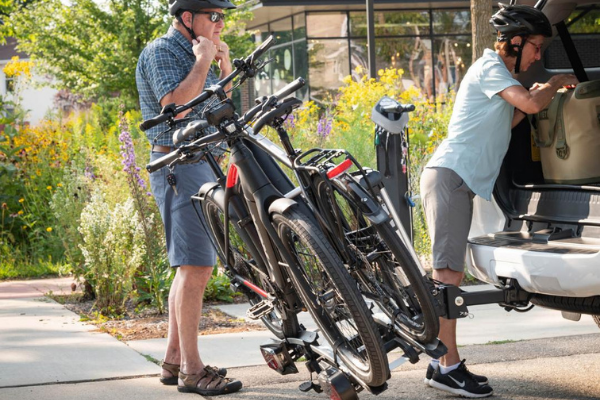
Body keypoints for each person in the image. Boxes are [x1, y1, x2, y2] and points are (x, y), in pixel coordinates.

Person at [420, 4, 578, 398]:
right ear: (515, 41)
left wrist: (541, 94)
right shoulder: (490, 65)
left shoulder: (500, 76)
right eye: (536, 47)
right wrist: (555, 82)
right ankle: (448, 367)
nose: (538, 56)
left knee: (448, 275)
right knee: (447, 277)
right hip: (450, 178)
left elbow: (509, 119)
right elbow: (527, 105)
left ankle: (441, 362)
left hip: (456, 181)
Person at [135, 0, 242, 396]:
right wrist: (202, 62)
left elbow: (223, 109)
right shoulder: (163, 51)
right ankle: (193, 372)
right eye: (213, 15)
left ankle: (174, 360)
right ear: (186, 18)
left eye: (223, 16)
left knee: (190, 267)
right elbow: (176, 109)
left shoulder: (203, 54)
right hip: (180, 165)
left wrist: (224, 68)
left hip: (202, 164)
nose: (220, 23)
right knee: (196, 266)